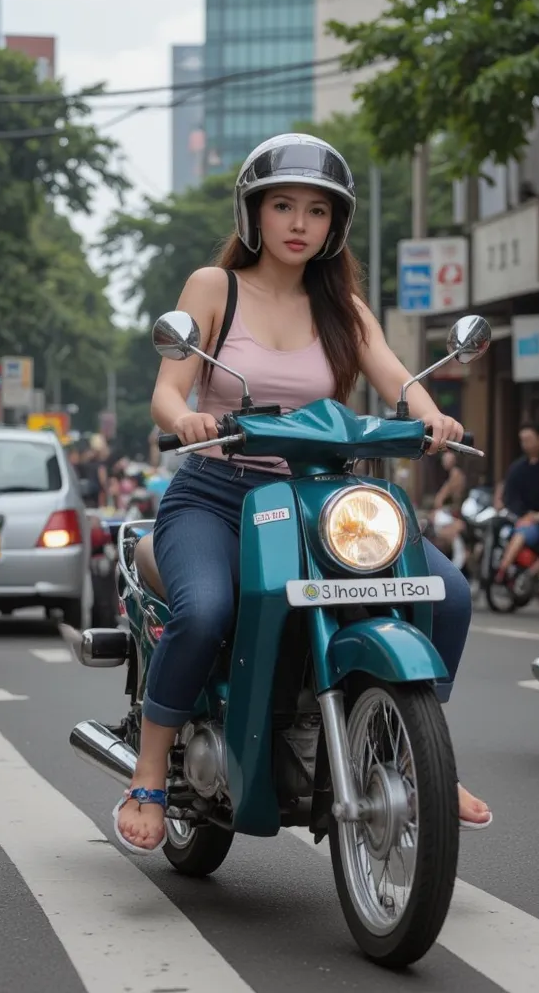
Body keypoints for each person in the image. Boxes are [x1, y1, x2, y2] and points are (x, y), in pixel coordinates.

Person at [115, 133, 491, 853]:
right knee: (206, 611)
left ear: (334, 225)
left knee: (451, 593)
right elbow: (166, 391)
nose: (297, 223)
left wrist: (430, 416)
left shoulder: (342, 307)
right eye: (282, 205)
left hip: (324, 506)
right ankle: (150, 770)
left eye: (316, 211)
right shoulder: (212, 288)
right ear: (253, 213)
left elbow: (397, 379)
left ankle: (422, 757)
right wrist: (188, 416)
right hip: (219, 497)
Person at [494, 422, 539, 582]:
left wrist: (538, 516)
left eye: (529, 439)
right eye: (522, 440)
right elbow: (509, 494)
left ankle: (504, 569)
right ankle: (505, 569)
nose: (525, 444)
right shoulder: (517, 468)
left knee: (528, 533)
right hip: (524, 518)